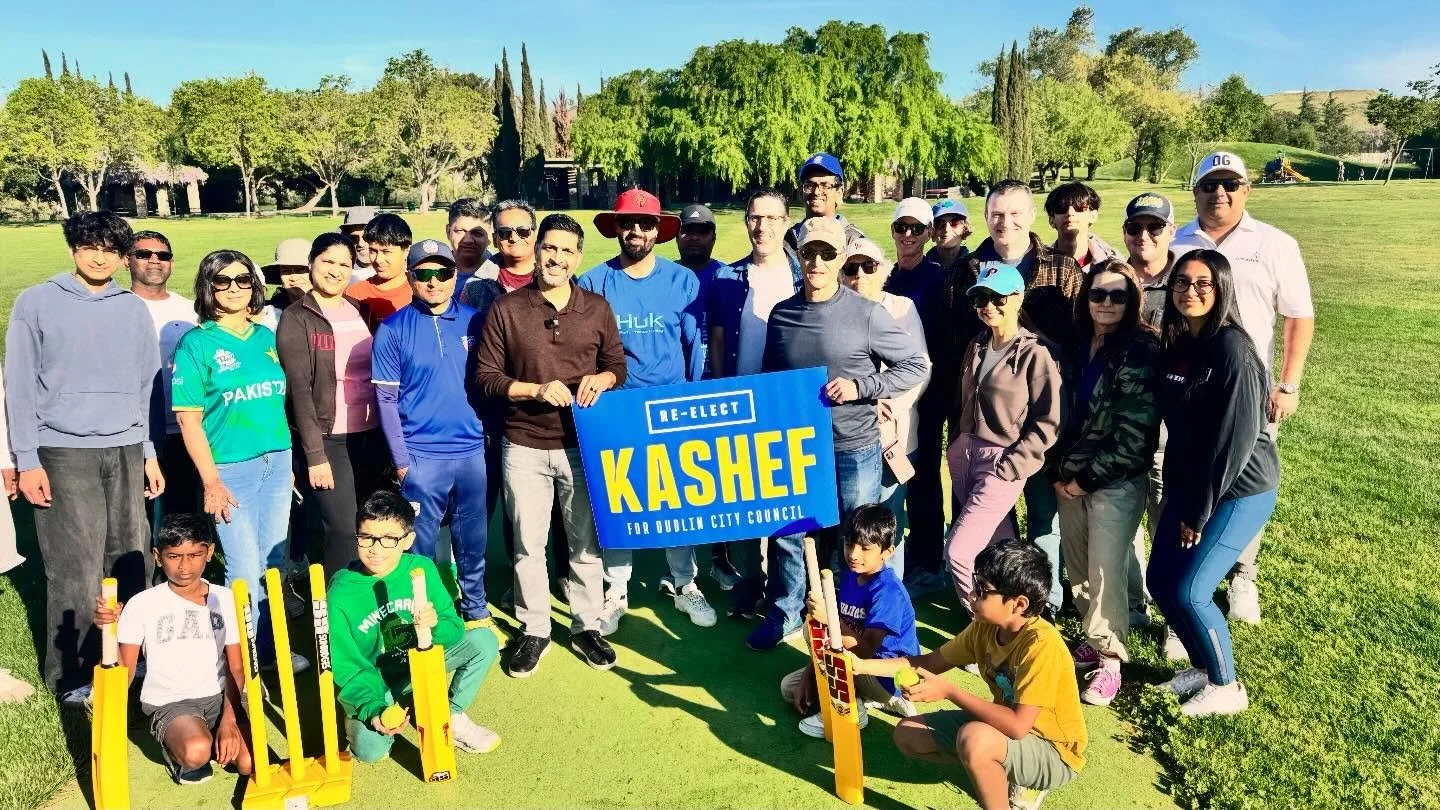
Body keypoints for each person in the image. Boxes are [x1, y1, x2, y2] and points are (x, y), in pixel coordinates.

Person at [749, 217, 928, 651]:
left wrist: (862, 387)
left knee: (856, 536)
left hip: (854, 447)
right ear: (799, 256)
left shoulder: (867, 313)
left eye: (827, 254)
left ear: (840, 259)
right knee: (788, 532)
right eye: (809, 253)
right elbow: (772, 379)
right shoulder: (783, 313)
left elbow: (916, 365)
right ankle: (786, 610)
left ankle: (853, 622)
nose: (816, 261)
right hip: (794, 448)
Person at [5, 211, 162, 700]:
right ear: (73, 247)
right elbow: (19, 388)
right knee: (75, 566)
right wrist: (27, 460)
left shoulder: (131, 308)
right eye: (90, 246)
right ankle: (72, 675)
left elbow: (146, 386)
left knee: (132, 558)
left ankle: (134, 662)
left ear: (122, 257)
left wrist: (149, 453)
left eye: (111, 249)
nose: (100, 256)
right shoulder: (36, 302)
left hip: (125, 446)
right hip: (62, 450)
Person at [475, 213, 628, 676]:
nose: (556, 258)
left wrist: (601, 379)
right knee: (527, 544)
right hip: (523, 444)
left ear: (578, 257)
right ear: (536, 250)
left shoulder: (597, 308)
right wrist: (534, 389)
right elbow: (487, 377)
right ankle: (535, 628)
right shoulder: (507, 308)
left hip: (581, 447)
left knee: (585, 544)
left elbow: (617, 366)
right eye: (549, 248)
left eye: (566, 251)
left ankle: (585, 625)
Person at [1171, 151, 1314, 624]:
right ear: (1195, 192)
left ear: (1246, 190)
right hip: (1190, 388)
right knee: (1190, 477)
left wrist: (1288, 385)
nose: (1220, 193)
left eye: (1231, 184)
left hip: (1247, 390)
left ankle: (1242, 574)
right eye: (1210, 185)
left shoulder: (1274, 243)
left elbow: (1298, 314)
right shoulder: (1178, 243)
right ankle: (1192, 576)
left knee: (1239, 480)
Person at [850, 541, 1087, 810]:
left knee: (974, 740)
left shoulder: (1042, 646)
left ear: (1018, 604)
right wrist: (860, 665)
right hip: (1004, 730)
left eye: (983, 590)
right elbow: (927, 662)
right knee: (909, 735)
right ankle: (996, 768)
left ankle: (1015, 779)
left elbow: (1019, 726)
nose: (972, 595)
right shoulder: (984, 628)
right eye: (975, 584)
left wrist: (949, 691)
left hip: (1054, 752)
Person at [1147, 249, 1279, 717]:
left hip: (1237, 490)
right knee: (1160, 581)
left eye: (1204, 283)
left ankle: (1227, 686)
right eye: (1182, 282)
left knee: (1190, 591)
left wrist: (1197, 513)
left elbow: (1232, 444)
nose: (1191, 291)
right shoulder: (1181, 342)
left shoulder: (1233, 350)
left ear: (1222, 288)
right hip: (1189, 482)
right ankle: (1203, 667)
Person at [580, 189, 716, 633]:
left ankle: (685, 583)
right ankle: (615, 590)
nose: (636, 230)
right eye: (627, 223)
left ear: (659, 231)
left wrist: (692, 399)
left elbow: (696, 346)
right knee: (618, 500)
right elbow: (586, 352)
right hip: (616, 408)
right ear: (615, 228)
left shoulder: (682, 281)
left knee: (677, 499)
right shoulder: (594, 282)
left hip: (672, 407)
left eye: (645, 224)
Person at [947, 180, 1081, 615]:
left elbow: (1080, 348)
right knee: (996, 543)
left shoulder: (1061, 270)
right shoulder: (970, 280)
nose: (1005, 221)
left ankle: (1039, 610)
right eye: (996, 213)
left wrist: (1016, 461)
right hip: (975, 448)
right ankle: (1013, 618)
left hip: (1024, 448)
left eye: (1015, 213)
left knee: (1041, 524)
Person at [172, 250, 301, 670]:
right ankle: (241, 659)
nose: (233, 288)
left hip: (277, 464)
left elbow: (279, 405)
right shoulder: (197, 343)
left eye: (242, 280)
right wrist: (212, 482)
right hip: (230, 472)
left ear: (254, 286)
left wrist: (288, 459)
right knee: (244, 569)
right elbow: (189, 421)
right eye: (222, 281)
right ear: (208, 287)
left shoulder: (267, 336)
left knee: (274, 563)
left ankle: (269, 652)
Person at [1050, 259, 1161, 706]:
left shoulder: (1142, 349)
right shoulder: (1079, 344)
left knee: (1104, 568)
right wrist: (1063, 473)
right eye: (1098, 294)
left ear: (1132, 300)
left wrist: (1086, 478)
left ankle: (1111, 658)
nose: (1107, 303)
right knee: (1077, 568)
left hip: (1112, 479)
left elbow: (1136, 435)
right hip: (1068, 475)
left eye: (1118, 295)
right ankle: (1091, 637)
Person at [328, 491, 500, 762]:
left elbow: (453, 628)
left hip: (421, 663)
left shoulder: (422, 568)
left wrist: (434, 625)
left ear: (407, 540)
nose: (375, 549)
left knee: (484, 641)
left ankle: (451, 713)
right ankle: (377, 708)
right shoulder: (340, 594)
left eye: (388, 539)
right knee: (370, 752)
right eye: (367, 537)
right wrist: (373, 711)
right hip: (377, 680)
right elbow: (346, 666)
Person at [370, 239, 490, 626]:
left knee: (472, 540)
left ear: (457, 275)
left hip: (472, 453)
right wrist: (403, 463)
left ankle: (475, 608)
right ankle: (430, 613)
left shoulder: (476, 321)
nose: (434, 282)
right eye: (423, 274)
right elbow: (386, 402)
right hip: (422, 457)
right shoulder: (392, 329)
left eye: (443, 273)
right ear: (410, 278)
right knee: (419, 546)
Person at [92, 514, 252, 785]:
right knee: (196, 752)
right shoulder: (142, 604)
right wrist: (109, 631)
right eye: (174, 556)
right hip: (172, 702)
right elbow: (125, 669)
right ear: (157, 555)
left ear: (209, 552)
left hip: (221, 696)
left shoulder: (225, 599)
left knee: (249, 763)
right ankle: (180, 749)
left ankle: (214, 736)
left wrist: (229, 719)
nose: (184, 566)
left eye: (194, 555)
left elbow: (237, 666)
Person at [706, 189, 803, 619]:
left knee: (786, 516)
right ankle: (748, 590)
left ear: (785, 223)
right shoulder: (727, 277)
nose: (761, 226)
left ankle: (788, 602)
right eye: (754, 218)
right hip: (739, 406)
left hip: (787, 408)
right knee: (744, 510)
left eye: (771, 218)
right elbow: (720, 341)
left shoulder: (803, 276)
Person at [943, 264, 1061, 610]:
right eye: (980, 297)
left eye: (997, 298)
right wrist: (957, 444)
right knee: (998, 551)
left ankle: (985, 627)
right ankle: (1017, 620)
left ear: (1017, 298)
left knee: (960, 551)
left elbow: (1049, 420)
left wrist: (1014, 464)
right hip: (965, 456)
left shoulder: (1036, 352)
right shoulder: (977, 344)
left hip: (1002, 461)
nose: (988, 305)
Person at [276, 233, 386, 578]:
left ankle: (366, 601)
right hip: (328, 438)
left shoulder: (359, 310)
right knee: (340, 530)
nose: (336, 271)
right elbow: (300, 391)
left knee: (370, 526)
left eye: (344, 264)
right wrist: (314, 455)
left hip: (369, 436)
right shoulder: (298, 317)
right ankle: (335, 607)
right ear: (312, 264)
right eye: (328, 262)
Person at [782, 504, 919, 736]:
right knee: (790, 688)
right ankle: (868, 698)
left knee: (815, 627)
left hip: (883, 674)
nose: (854, 554)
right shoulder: (851, 577)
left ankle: (856, 707)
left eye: (865, 548)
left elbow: (865, 652)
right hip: (854, 664)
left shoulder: (888, 592)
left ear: (888, 552)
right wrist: (810, 673)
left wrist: (830, 618)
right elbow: (829, 639)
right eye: (849, 544)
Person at [841, 238, 931, 581]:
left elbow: (920, 367)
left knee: (887, 520)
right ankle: (852, 595)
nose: (859, 275)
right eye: (851, 268)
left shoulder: (902, 307)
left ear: (884, 271)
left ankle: (888, 594)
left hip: (894, 437)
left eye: (869, 267)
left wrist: (888, 406)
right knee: (854, 520)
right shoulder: (836, 308)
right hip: (849, 436)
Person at [881, 198, 948, 595]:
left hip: (930, 391)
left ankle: (928, 562)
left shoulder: (938, 278)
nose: (907, 235)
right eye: (900, 227)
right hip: (892, 396)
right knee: (900, 482)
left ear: (929, 234)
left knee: (923, 482)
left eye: (916, 229)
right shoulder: (885, 276)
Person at [675, 202, 743, 591]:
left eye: (703, 231)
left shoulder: (727, 276)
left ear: (713, 235)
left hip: (717, 385)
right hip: (677, 387)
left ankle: (721, 557)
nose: (695, 237)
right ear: (678, 235)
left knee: (719, 478)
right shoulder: (665, 275)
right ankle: (679, 564)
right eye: (688, 230)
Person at [1122, 192, 1179, 648]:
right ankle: (1134, 603)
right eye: (1136, 228)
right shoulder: (1113, 279)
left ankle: (1176, 618)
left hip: (1169, 431)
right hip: (1121, 429)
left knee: (1168, 523)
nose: (1144, 236)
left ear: (1170, 232)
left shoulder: (1188, 282)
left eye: (1154, 228)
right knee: (1122, 523)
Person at [129, 230, 201, 521]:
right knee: (138, 512)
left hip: (185, 428)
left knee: (183, 511)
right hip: (136, 430)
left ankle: (180, 565)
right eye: (143, 254)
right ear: (127, 260)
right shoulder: (118, 307)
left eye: (163, 255)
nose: (154, 261)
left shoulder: (190, 311)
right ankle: (145, 565)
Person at [346, 213, 414, 331]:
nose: (378, 260)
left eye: (386, 252)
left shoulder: (421, 290)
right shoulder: (354, 295)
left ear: (406, 250)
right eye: (373, 251)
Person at [785, 152, 865, 253]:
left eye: (825, 186)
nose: (816, 192)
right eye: (809, 185)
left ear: (839, 192)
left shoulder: (854, 240)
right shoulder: (787, 239)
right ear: (802, 192)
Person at [1044, 182, 1117, 270]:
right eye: (1061, 208)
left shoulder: (1115, 265)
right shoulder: (1037, 266)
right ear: (1051, 220)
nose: (1070, 213)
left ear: (1093, 216)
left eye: (1079, 207)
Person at [447, 197, 499, 305]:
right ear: (448, 231)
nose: (468, 240)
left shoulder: (501, 270)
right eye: (460, 231)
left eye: (477, 233)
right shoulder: (433, 268)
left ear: (490, 236)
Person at [258, 238, 313, 331]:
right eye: (286, 271)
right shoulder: (271, 314)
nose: (293, 278)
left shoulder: (334, 306)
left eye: (301, 270)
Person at [489, 199, 540, 293]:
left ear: (536, 235)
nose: (514, 238)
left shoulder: (559, 276)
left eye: (523, 231)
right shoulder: (477, 284)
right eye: (504, 232)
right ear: (494, 239)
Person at [926, 198, 973, 272]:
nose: (947, 229)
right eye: (939, 224)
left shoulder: (975, 268)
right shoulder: (920, 268)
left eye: (954, 223)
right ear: (931, 231)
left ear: (965, 229)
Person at [341, 206, 377, 283]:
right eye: (354, 238)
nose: (361, 244)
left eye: (367, 237)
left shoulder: (401, 267)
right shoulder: (341, 274)